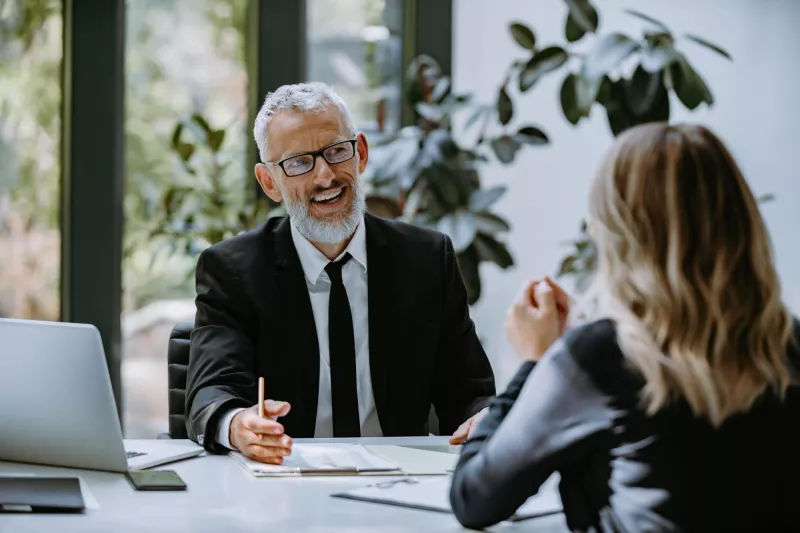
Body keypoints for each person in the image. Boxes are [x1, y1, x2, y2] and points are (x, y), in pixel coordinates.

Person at [450, 123, 800, 532]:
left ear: (619, 229)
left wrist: (534, 362)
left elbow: (473, 498)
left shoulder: (602, 356)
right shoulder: (785, 342)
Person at [185, 82, 496, 463]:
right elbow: (211, 391)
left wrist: (483, 417)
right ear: (269, 182)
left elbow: (469, 392)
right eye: (299, 162)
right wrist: (238, 424)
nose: (325, 177)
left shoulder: (427, 258)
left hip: (401, 483)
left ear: (360, 153)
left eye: (336, 151)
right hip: (283, 481)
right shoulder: (232, 270)